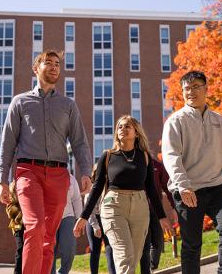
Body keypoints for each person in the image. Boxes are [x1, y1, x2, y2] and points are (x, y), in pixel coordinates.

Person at [0, 49, 93, 274]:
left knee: (49, 238)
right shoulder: (20, 102)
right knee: (35, 226)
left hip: (59, 175)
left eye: (57, 64)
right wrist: (2, 180)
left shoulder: (68, 105)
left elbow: (79, 141)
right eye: (48, 63)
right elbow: (7, 143)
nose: (53, 67)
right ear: (36, 68)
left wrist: (86, 171)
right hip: (28, 171)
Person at [162, 71, 222, 274]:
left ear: (206, 89)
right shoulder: (175, 121)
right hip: (188, 191)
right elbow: (171, 157)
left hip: (217, 188)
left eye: (196, 86)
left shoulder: (220, 121)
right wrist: (183, 186)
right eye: (187, 88)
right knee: (192, 245)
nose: (191, 91)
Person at [74, 115, 172, 274]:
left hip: (140, 207)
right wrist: (84, 216)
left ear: (136, 132)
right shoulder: (108, 156)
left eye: (127, 127)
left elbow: (151, 189)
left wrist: (162, 216)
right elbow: (97, 188)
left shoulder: (144, 156)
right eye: (120, 127)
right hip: (114, 206)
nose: (123, 129)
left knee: (133, 258)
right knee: (125, 257)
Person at [140, 157, 176, 274]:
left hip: (156, 210)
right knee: (145, 243)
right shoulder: (134, 164)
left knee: (158, 241)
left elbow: (168, 186)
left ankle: (152, 267)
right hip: (139, 211)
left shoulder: (157, 165)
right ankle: (146, 270)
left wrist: (174, 207)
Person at [84, 166, 116, 274]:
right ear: (94, 174)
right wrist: (96, 226)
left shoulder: (109, 188)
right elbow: (89, 211)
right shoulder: (91, 189)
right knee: (95, 250)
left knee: (110, 249)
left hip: (106, 218)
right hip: (93, 220)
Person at [51, 174, 82, 274]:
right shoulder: (46, 174)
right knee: (50, 249)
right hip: (50, 217)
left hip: (68, 216)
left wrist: (80, 219)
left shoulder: (71, 178)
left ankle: (63, 272)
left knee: (69, 248)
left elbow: (77, 199)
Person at [6, 180, 24, 274]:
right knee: (20, 249)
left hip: (29, 226)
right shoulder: (11, 202)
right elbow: (12, 215)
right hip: (18, 227)